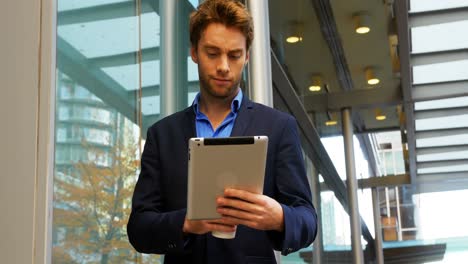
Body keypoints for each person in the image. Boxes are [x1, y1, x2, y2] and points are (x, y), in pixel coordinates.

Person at [127, 0, 317, 263]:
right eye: (213, 53)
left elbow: (307, 219)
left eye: (235, 55)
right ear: (194, 52)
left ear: (247, 56)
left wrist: (281, 217)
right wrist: (186, 223)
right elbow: (138, 228)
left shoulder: (279, 127)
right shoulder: (162, 135)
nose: (224, 66)